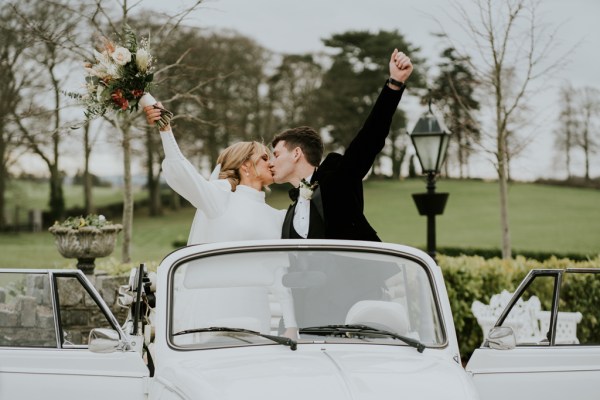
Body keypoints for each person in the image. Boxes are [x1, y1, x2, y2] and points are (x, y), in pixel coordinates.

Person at [144, 105, 298, 337]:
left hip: (255, 311)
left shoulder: (276, 216)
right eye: (264, 157)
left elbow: (279, 276)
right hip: (213, 309)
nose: (271, 163)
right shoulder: (220, 197)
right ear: (246, 166)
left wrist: (292, 325)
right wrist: (166, 130)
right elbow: (185, 176)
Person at [269, 48, 413, 241]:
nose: (271, 162)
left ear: (296, 153)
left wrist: (394, 84)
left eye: (276, 154)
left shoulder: (337, 180)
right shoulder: (290, 213)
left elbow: (369, 139)